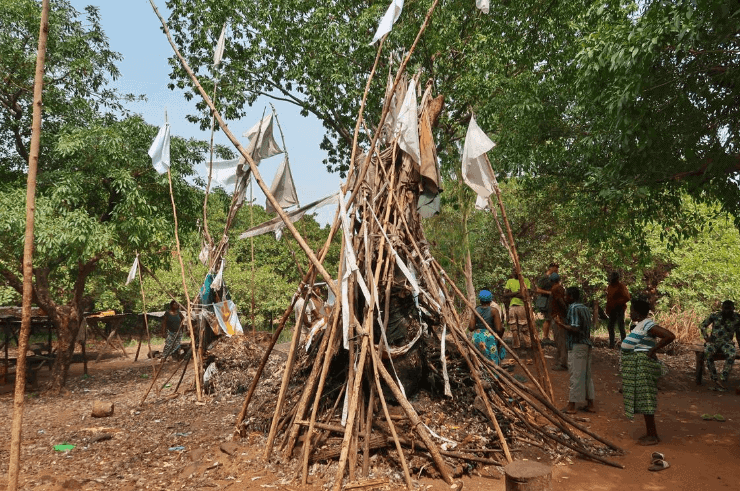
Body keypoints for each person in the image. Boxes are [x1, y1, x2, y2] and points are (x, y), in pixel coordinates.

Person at [621, 298, 675, 446]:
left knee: (646, 398)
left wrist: (653, 350)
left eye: (632, 310)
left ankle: (652, 435)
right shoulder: (639, 325)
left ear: (638, 312)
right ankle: (650, 433)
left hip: (644, 365)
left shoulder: (648, 324)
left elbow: (669, 336)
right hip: (639, 365)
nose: (630, 313)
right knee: (643, 399)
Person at [554, 287, 595, 414]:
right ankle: (590, 404)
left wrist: (560, 325)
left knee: (575, 375)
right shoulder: (585, 308)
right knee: (587, 376)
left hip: (577, 345)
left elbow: (575, 328)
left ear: (571, 296)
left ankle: (571, 406)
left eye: (566, 296)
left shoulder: (573, 308)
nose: (565, 298)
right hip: (586, 344)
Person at [699, 300, 740, 389]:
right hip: (714, 342)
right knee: (708, 353)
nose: (727, 311)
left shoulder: (737, 318)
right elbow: (703, 325)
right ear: (722, 308)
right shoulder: (715, 315)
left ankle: (723, 378)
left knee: (732, 354)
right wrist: (706, 338)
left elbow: (739, 334)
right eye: (725, 309)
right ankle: (714, 378)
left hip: (727, 343)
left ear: (733, 309)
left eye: (729, 309)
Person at [468, 289, 506, 365]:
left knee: (479, 359)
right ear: (490, 300)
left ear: (480, 300)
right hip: (489, 338)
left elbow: (471, 328)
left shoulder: (476, 310)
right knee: (492, 360)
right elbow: (499, 329)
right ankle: (492, 376)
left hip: (477, 337)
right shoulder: (494, 311)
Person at [503, 268, 531, 349]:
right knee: (513, 327)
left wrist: (512, 294)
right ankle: (516, 346)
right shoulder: (510, 281)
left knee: (524, 327)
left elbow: (526, 294)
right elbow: (505, 294)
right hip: (513, 306)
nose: (514, 272)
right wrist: (517, 293)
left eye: (516, 271)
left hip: (522, 306)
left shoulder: (525, 280)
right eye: (513, 271)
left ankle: (528, 345)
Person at [606, 272, 631, 349]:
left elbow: (627, 297)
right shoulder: (609, 287)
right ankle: (611, 344)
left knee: (621, 326)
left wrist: (618, 303)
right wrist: (608, 308)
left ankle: (624, 344)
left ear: (616, 278)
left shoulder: (621, 287)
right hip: (612, 309)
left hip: (619, 308)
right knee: (610, 326)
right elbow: (609, 298)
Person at [535, 262, 559, 342]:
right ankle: (545, 337)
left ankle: (547, 336)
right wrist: (549, 292)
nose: (557, 270)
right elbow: (538, 290)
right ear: (551, 268)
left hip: (551, 301)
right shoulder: (544, 278)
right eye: (556, 268)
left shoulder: (553, 277)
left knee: (551, 318)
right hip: (545, 301)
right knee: (548, 318)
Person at [549, 273, 568, 371]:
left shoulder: (555, 289)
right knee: (561, 340)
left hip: (558, 317)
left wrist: (565, 313)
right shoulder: (561, 288)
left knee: (560, 340)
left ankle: (563, 363)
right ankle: (562, 361)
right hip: (559, 316)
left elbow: (560, 301)